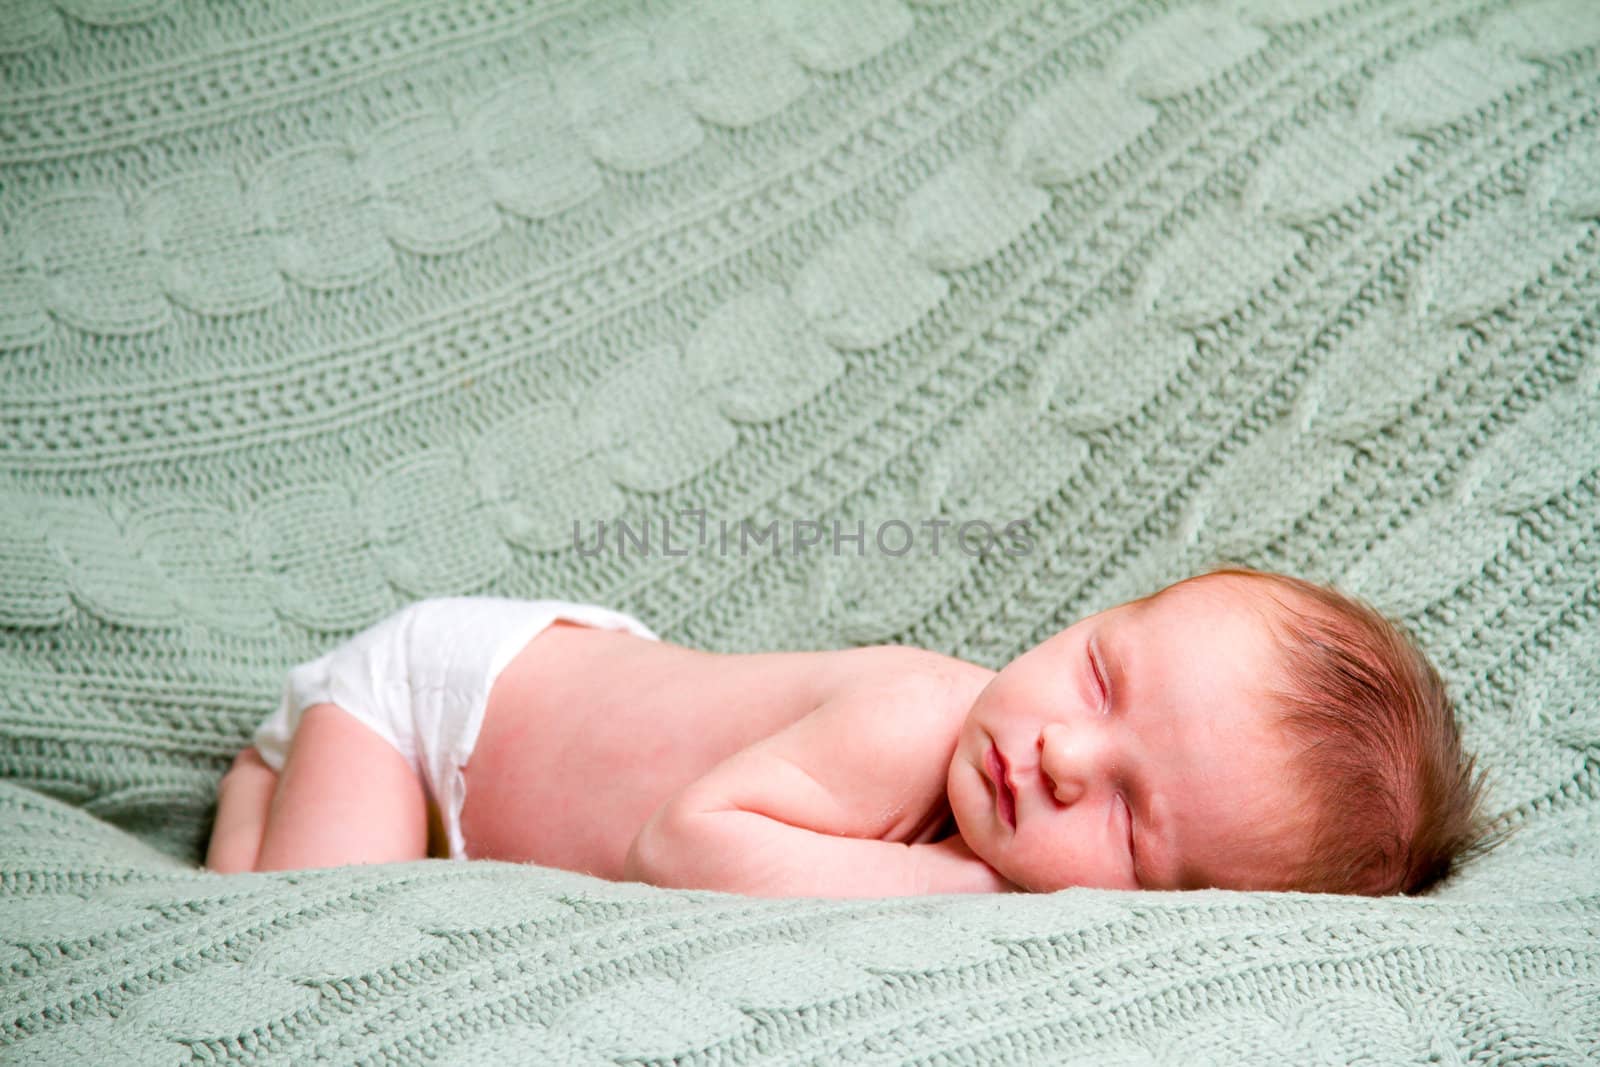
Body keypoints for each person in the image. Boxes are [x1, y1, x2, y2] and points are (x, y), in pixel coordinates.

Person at [205, 567, 1491, 898]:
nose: (1059, 753)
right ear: (1099, 620)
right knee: (324, 915)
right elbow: (680, 842)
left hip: (524, 728)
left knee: (263, 846)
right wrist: (961, 885)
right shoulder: (916, 716)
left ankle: (258, 779)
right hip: (437, 712)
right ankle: (285, 760)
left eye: (1128, 817)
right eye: (1100, 676)